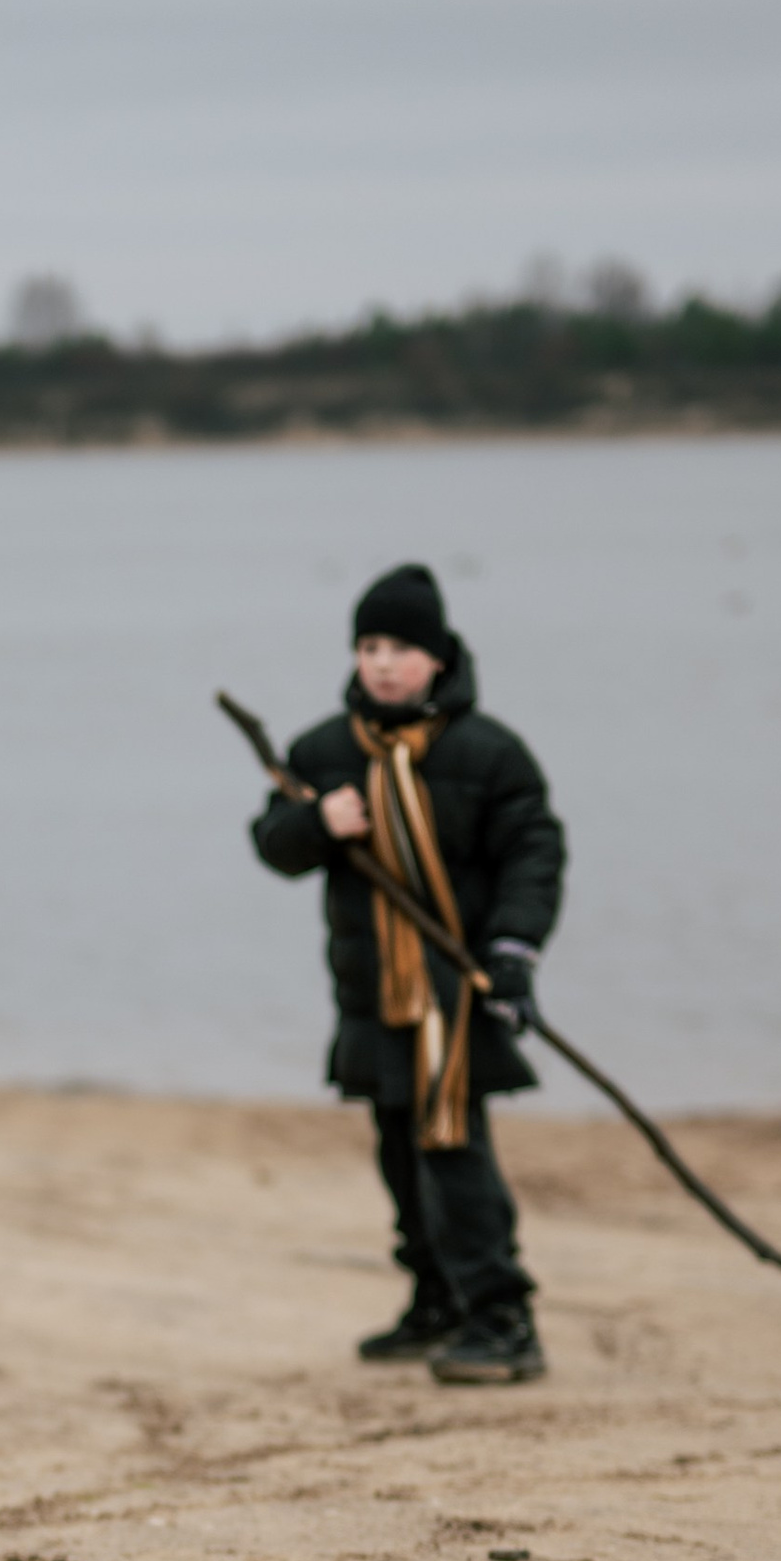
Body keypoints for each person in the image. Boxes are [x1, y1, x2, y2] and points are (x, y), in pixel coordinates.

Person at [253, 562, 565, 1382]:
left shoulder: (488, 753)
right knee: (398, 1151)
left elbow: (535, 855)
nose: (383, 662)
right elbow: (273, 846)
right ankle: (436, 1301)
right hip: (369, 993)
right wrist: (317, 819)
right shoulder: (324, 751)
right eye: (369, 645)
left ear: (439, 658)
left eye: (400, 647)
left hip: (456, 994)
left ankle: (503, 1318)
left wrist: (513, 952)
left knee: (452, 1149)